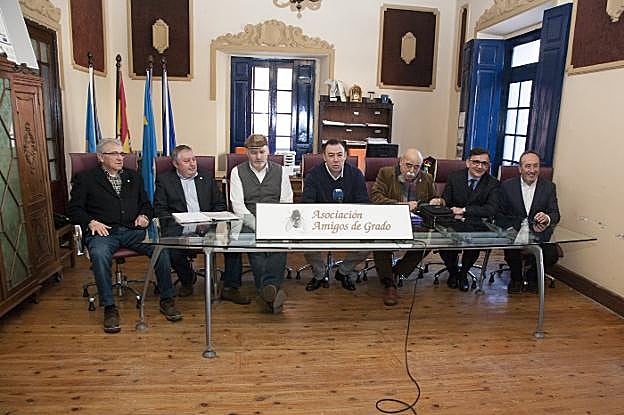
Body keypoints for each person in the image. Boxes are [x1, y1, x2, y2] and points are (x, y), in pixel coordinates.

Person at [67, 139, 182, 333]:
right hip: (104, 232)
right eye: (114, 154)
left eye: (122, 154)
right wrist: (91, 222)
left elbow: (146, 204)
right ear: (100, 157)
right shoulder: (86, 178)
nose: (120, 158)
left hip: (132, 231)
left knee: (160, 249)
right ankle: (109, 307)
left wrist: (145, 216)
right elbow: (74, 209)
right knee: (99, 254)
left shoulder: (133, 177)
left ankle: (167, 299)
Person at [153, 144, 249, 304]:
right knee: (172, 250)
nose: (192, 164)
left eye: (194, 159)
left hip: (208, 226)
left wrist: (210, 220)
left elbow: (219, 204)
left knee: (232, 243)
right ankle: (187, 279)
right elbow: (160, 210)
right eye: (187, 161)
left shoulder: (206, 176)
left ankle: (230, 288)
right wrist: (182, 223)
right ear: (175, 164)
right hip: (180, 227)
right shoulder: (165, 181)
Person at [229, 134, 293, 313]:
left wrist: (273, 224)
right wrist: (257, 224)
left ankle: (267, 291)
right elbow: (238, 205)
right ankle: (271, 290)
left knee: (279, 245)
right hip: (248, 220)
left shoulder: (281, 171)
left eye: (262, 152)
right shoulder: (237, 172)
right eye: (253, 152)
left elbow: (286, 201)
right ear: (247, 153)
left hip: (275, 220)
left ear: (268, 151)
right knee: (255, 247)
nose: (258, 156)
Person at [370, 148, 438, 306]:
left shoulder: (426, 178)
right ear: (401, 161)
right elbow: (376, 197)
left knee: (429, 241)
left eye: (417, 167)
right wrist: (402, 205)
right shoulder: (386, 173)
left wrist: (437, 201)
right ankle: (389, 284)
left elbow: (435, 198)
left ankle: (398, 272)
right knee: (380, 241)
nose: (412, 170)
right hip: (389, 220)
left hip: (417, 222)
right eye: (408, 165)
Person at [302, 139, 369, 292]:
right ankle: (320, 274)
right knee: (306, 242)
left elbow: (364, 204)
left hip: (350, 223)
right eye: (331, 155)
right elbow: (307, 204)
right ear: (324, 157)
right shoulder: (313, 175)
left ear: (345, 156)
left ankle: (343, 272)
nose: (336, 159)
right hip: (320, 223)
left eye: (339, 155)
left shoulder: (356, 175)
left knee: (368, 244)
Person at [432, 147, 500, 292]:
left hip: (477, 224)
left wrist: (464, 210)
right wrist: (440, 202)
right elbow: (447, 200)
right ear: (468, 162)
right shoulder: (454, 177)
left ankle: (463, 274)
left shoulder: (493, 183)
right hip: (453, 222)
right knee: (444, 239)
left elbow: (491, 209)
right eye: (476, 162)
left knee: (474, 242)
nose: (480, 166)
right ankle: (453, 271)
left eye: (484, 163)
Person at [498, 150, 560, 293]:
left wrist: (547, 217)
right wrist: (508, 228)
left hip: (539, 233)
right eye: (528, 166)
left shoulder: (549, 187)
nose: (532, 170)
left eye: (535, 166)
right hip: (513, 231)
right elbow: (499, 214)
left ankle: (532, 276)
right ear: (520, 169)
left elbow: (555, 214)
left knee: (552, 255)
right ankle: (516, 278)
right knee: (512, 251)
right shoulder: (507, 186)